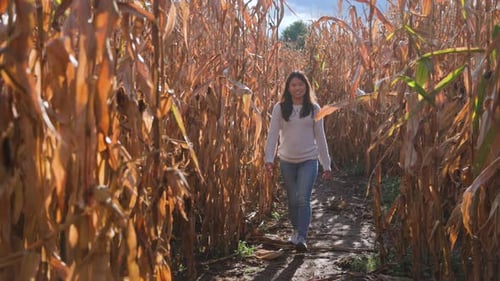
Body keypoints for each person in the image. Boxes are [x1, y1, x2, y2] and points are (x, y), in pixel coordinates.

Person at [264, 71, 332, 252]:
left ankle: (301, 236)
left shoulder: (314, 108)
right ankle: (295, 230)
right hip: (286, 160)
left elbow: (320, 137)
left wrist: (327, 164)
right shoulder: (280, 108)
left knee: (303, 198)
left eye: (300, 85)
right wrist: (269, 159)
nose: (297, 88)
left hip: (308, 160)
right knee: (293, 200)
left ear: (306, 86)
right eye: (293, 85)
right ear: (288, 88)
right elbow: (272, 135)